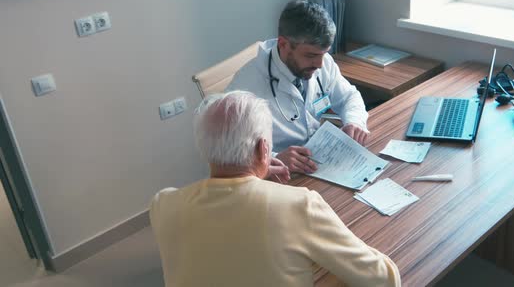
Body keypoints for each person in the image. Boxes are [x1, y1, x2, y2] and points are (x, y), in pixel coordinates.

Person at [149, 91, 401, 287]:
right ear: (263, 150)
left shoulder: (163, 205)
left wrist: (256, 170)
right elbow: (382, 280)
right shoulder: (299, 205)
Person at [226, 0, 369, 175]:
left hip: (318, 161)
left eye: (324, 54)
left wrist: (354, 121)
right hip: (278, 176)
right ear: (283, 44)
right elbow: (232, 154)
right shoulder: (245, 88)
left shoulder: (321, 63)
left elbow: (349, 97)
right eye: (310, 55)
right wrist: (274, 159)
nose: (319, 64)